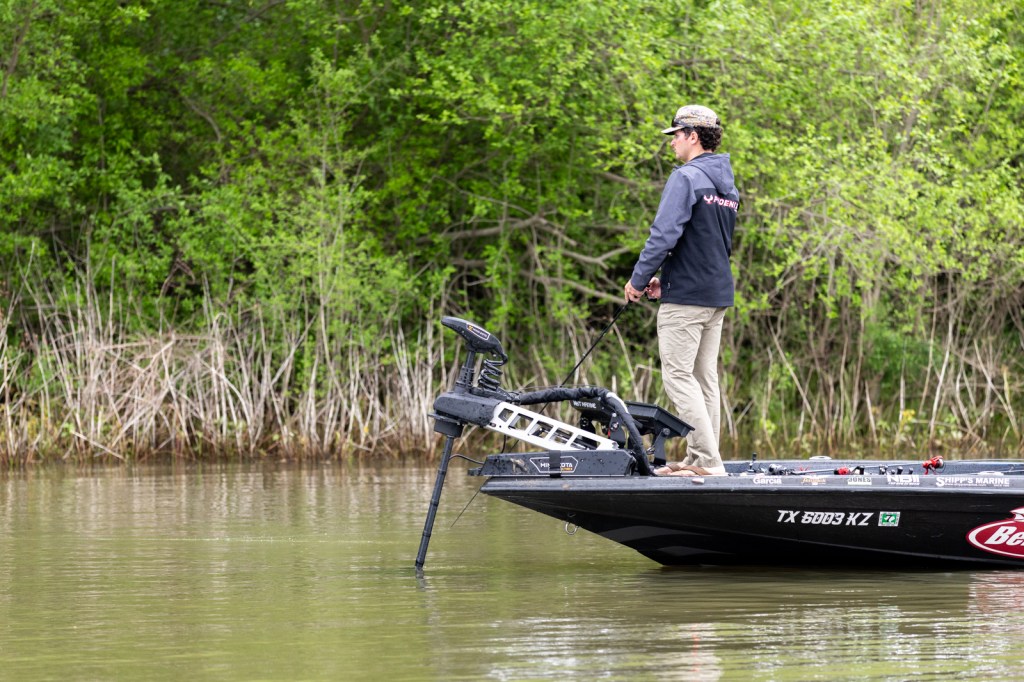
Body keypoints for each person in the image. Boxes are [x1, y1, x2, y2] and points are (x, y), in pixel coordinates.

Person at [622, 105, 739, 476]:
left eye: (675, 135)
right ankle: (701, 459)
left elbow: (663, 235)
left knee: (678, 377)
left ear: (693, 136)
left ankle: (708, 461)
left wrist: (639, 280)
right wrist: (667, 277)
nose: (672, 142)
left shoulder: (686, 177)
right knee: (704, 380)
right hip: (715, 294)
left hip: (687, 299)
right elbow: (710, 243)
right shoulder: (728, 185)